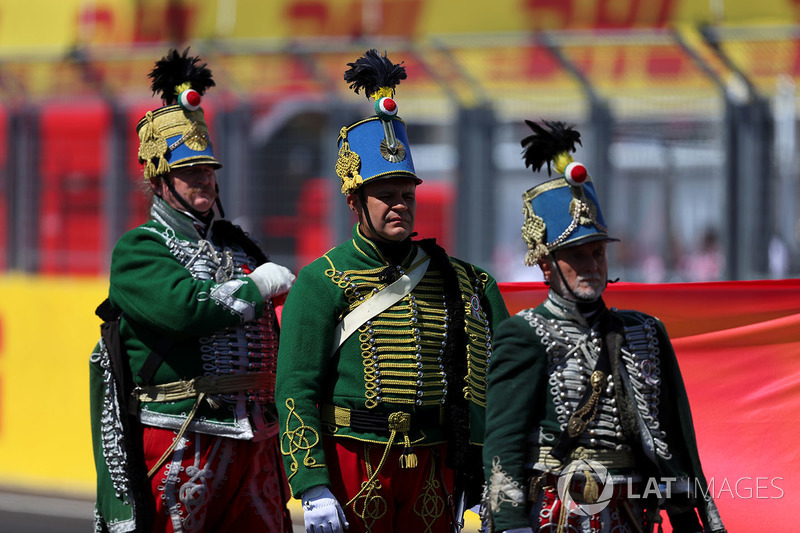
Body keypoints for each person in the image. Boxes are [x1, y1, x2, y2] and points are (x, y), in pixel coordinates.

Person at [275, 49, 509, 533]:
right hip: (354, 461)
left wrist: (490, 475)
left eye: (407, 193)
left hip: (436, 465)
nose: (400, 204)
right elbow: (296, 388)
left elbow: (498, 386)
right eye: (385, 194)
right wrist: (312, 483)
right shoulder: (321, 281)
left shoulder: (466, 281)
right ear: (354, 200)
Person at [481, 120, 726, 533]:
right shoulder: (523, 333)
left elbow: (673, 436)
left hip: (632, 511)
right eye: (576, 256)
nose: (591, 266)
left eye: (597, 253)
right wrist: (509, 523)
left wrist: (688, 514)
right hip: (557, 514)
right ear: (545, 264)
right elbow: (503, 440)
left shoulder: (643, 333)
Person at [89, 48, 295, 532]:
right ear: (161, 181)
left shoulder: (238, 244)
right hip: (184, 432)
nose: (203, 179)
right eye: (190, 172)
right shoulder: (140, 250)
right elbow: (184, 310)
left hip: (256, 437)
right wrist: (254, 286)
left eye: (207, 171)